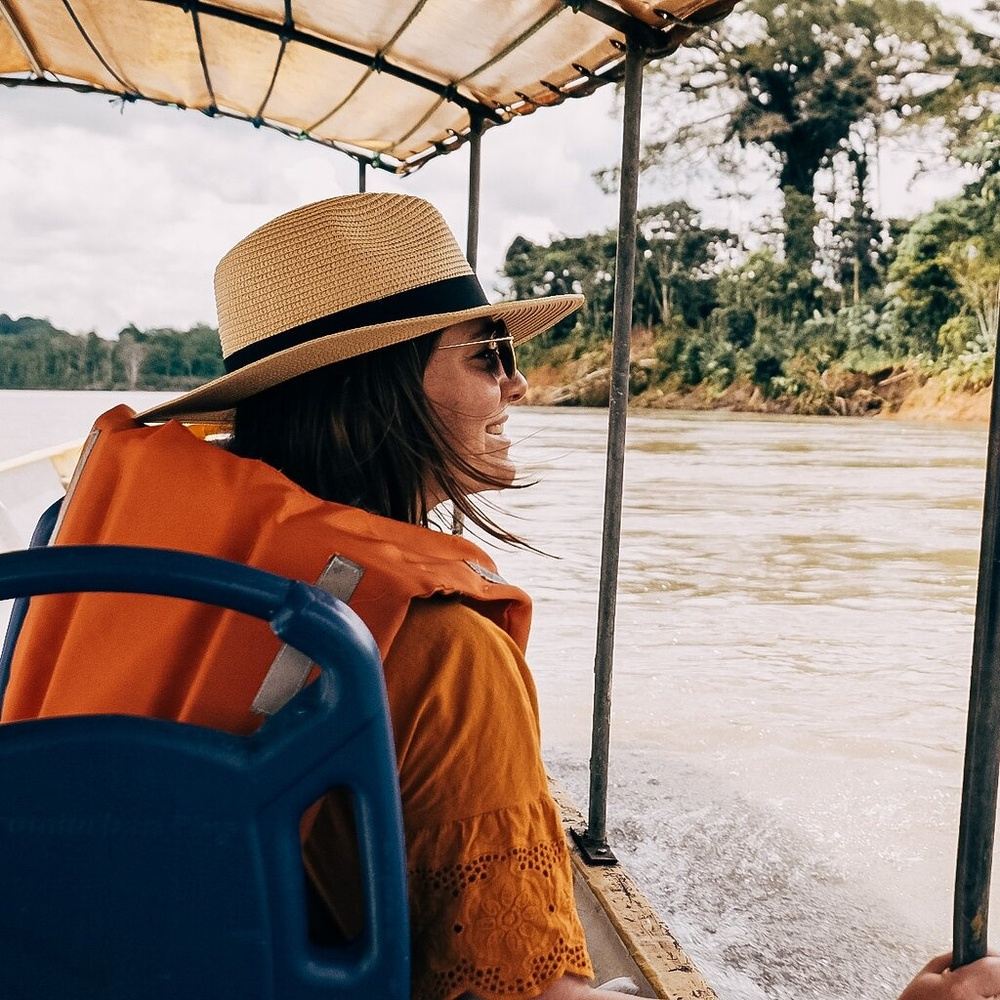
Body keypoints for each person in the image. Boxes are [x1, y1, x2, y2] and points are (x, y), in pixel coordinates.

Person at [4, 193, 1000, 1000]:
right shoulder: (445, 648)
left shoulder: (98, 569)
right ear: (377, 387)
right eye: (488, 355)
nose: (518, 386)